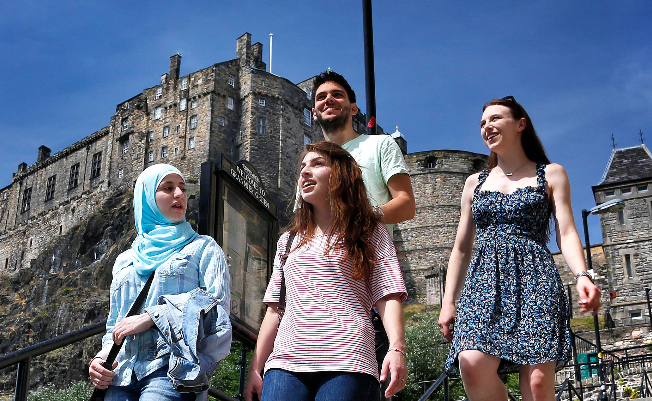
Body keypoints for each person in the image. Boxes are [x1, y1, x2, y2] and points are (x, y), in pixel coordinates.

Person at [437, 97, 602, 401]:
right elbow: (461, 248)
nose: (488, 127)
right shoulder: (474, 183)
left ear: (520, 124)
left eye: (496, 119)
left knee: (538, 384)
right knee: (471, 364)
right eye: (483, 123)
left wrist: (582, 275)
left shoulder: (551, 174)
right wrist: (449, 302)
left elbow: (566, 232)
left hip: (535, 279)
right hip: (483, 282)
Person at [243, 141, 408, 401]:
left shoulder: (369, 231)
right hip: (285, 362)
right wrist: (255, 368)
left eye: (317, 164)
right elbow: (275, 309)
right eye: (302, 167)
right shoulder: (288, 241)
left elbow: (388, 294)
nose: (305, 172)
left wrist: (397, 349)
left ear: (341, 174)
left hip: (348, 358)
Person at [88, 164, 232, 401]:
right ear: (147, 198)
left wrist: (154, 316)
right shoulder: (125, 260)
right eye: (168, 188)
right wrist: (100, 360)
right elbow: (114, 324)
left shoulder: (203, 247)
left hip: (171, 369)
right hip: (121, 374)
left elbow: (217, 308)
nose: (179, 194)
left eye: (183, 189)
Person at [310, 70, 415, 230]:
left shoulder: (381, 144)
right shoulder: (310, 162)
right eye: (321, 97)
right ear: (314, 114)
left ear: (353, 109)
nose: (329, 99)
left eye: (337, 95)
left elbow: (406, 205)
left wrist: (365, 216)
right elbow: (304, 218)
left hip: (367, 253)